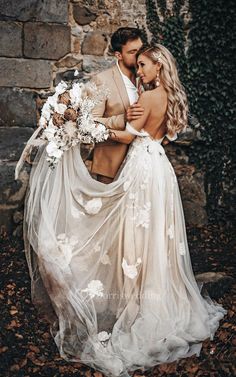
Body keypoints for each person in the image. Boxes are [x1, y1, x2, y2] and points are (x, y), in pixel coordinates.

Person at [20, 44, 227, 377]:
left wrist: (87, 127)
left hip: (143, 172)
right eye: (138, 64)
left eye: (144, 64)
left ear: (159, 65)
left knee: (134, 237)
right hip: (161, 170)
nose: (139, 70)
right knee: (154, 237)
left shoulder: (145, 99)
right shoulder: (171, 97)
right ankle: (150, 296)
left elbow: (127, 138)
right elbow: (161, 135)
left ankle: (138, 305)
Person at [89, 27, 174, 184]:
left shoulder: (147, 77)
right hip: (111, 165)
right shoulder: (102, 80)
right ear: (118, 55)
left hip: (142, 165)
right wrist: (123, 118)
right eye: (132, 52)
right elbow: (91, 121)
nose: (138, 55)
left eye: (140, 49)